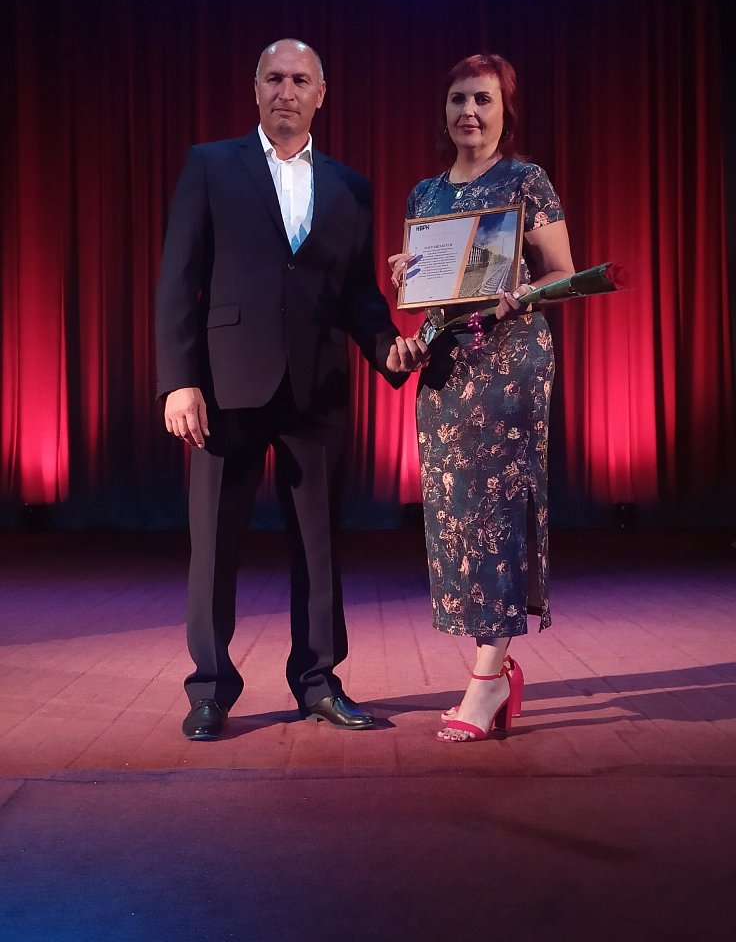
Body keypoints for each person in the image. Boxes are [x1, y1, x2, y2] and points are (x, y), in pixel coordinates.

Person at [156, 38, 427, 740]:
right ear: (255, 89)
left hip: (318, 389)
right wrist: (179, 381)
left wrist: (387, 349)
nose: (286, 90)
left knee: (320, 546)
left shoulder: (350, 187)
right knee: (214, 546)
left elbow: (357, 293)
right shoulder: (210, 164)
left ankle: (318, 682)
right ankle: (210, 688)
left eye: (300, 80)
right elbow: (178, 278)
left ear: (320, 94)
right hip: (225, 387)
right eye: (274, 78)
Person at [390, 53, 575, 743]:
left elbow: (561, 273)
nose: (469, 111)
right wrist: (409, 304)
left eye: (484, 100)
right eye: (459, 99)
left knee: (497, 512)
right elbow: (433, 302)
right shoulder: (424, 196)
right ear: (444, 110)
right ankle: (494, 669)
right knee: (456, 517)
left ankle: (488, 676)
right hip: (447, 369)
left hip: (509, 364)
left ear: (504, 111)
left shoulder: (526, 181)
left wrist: (521, 293)